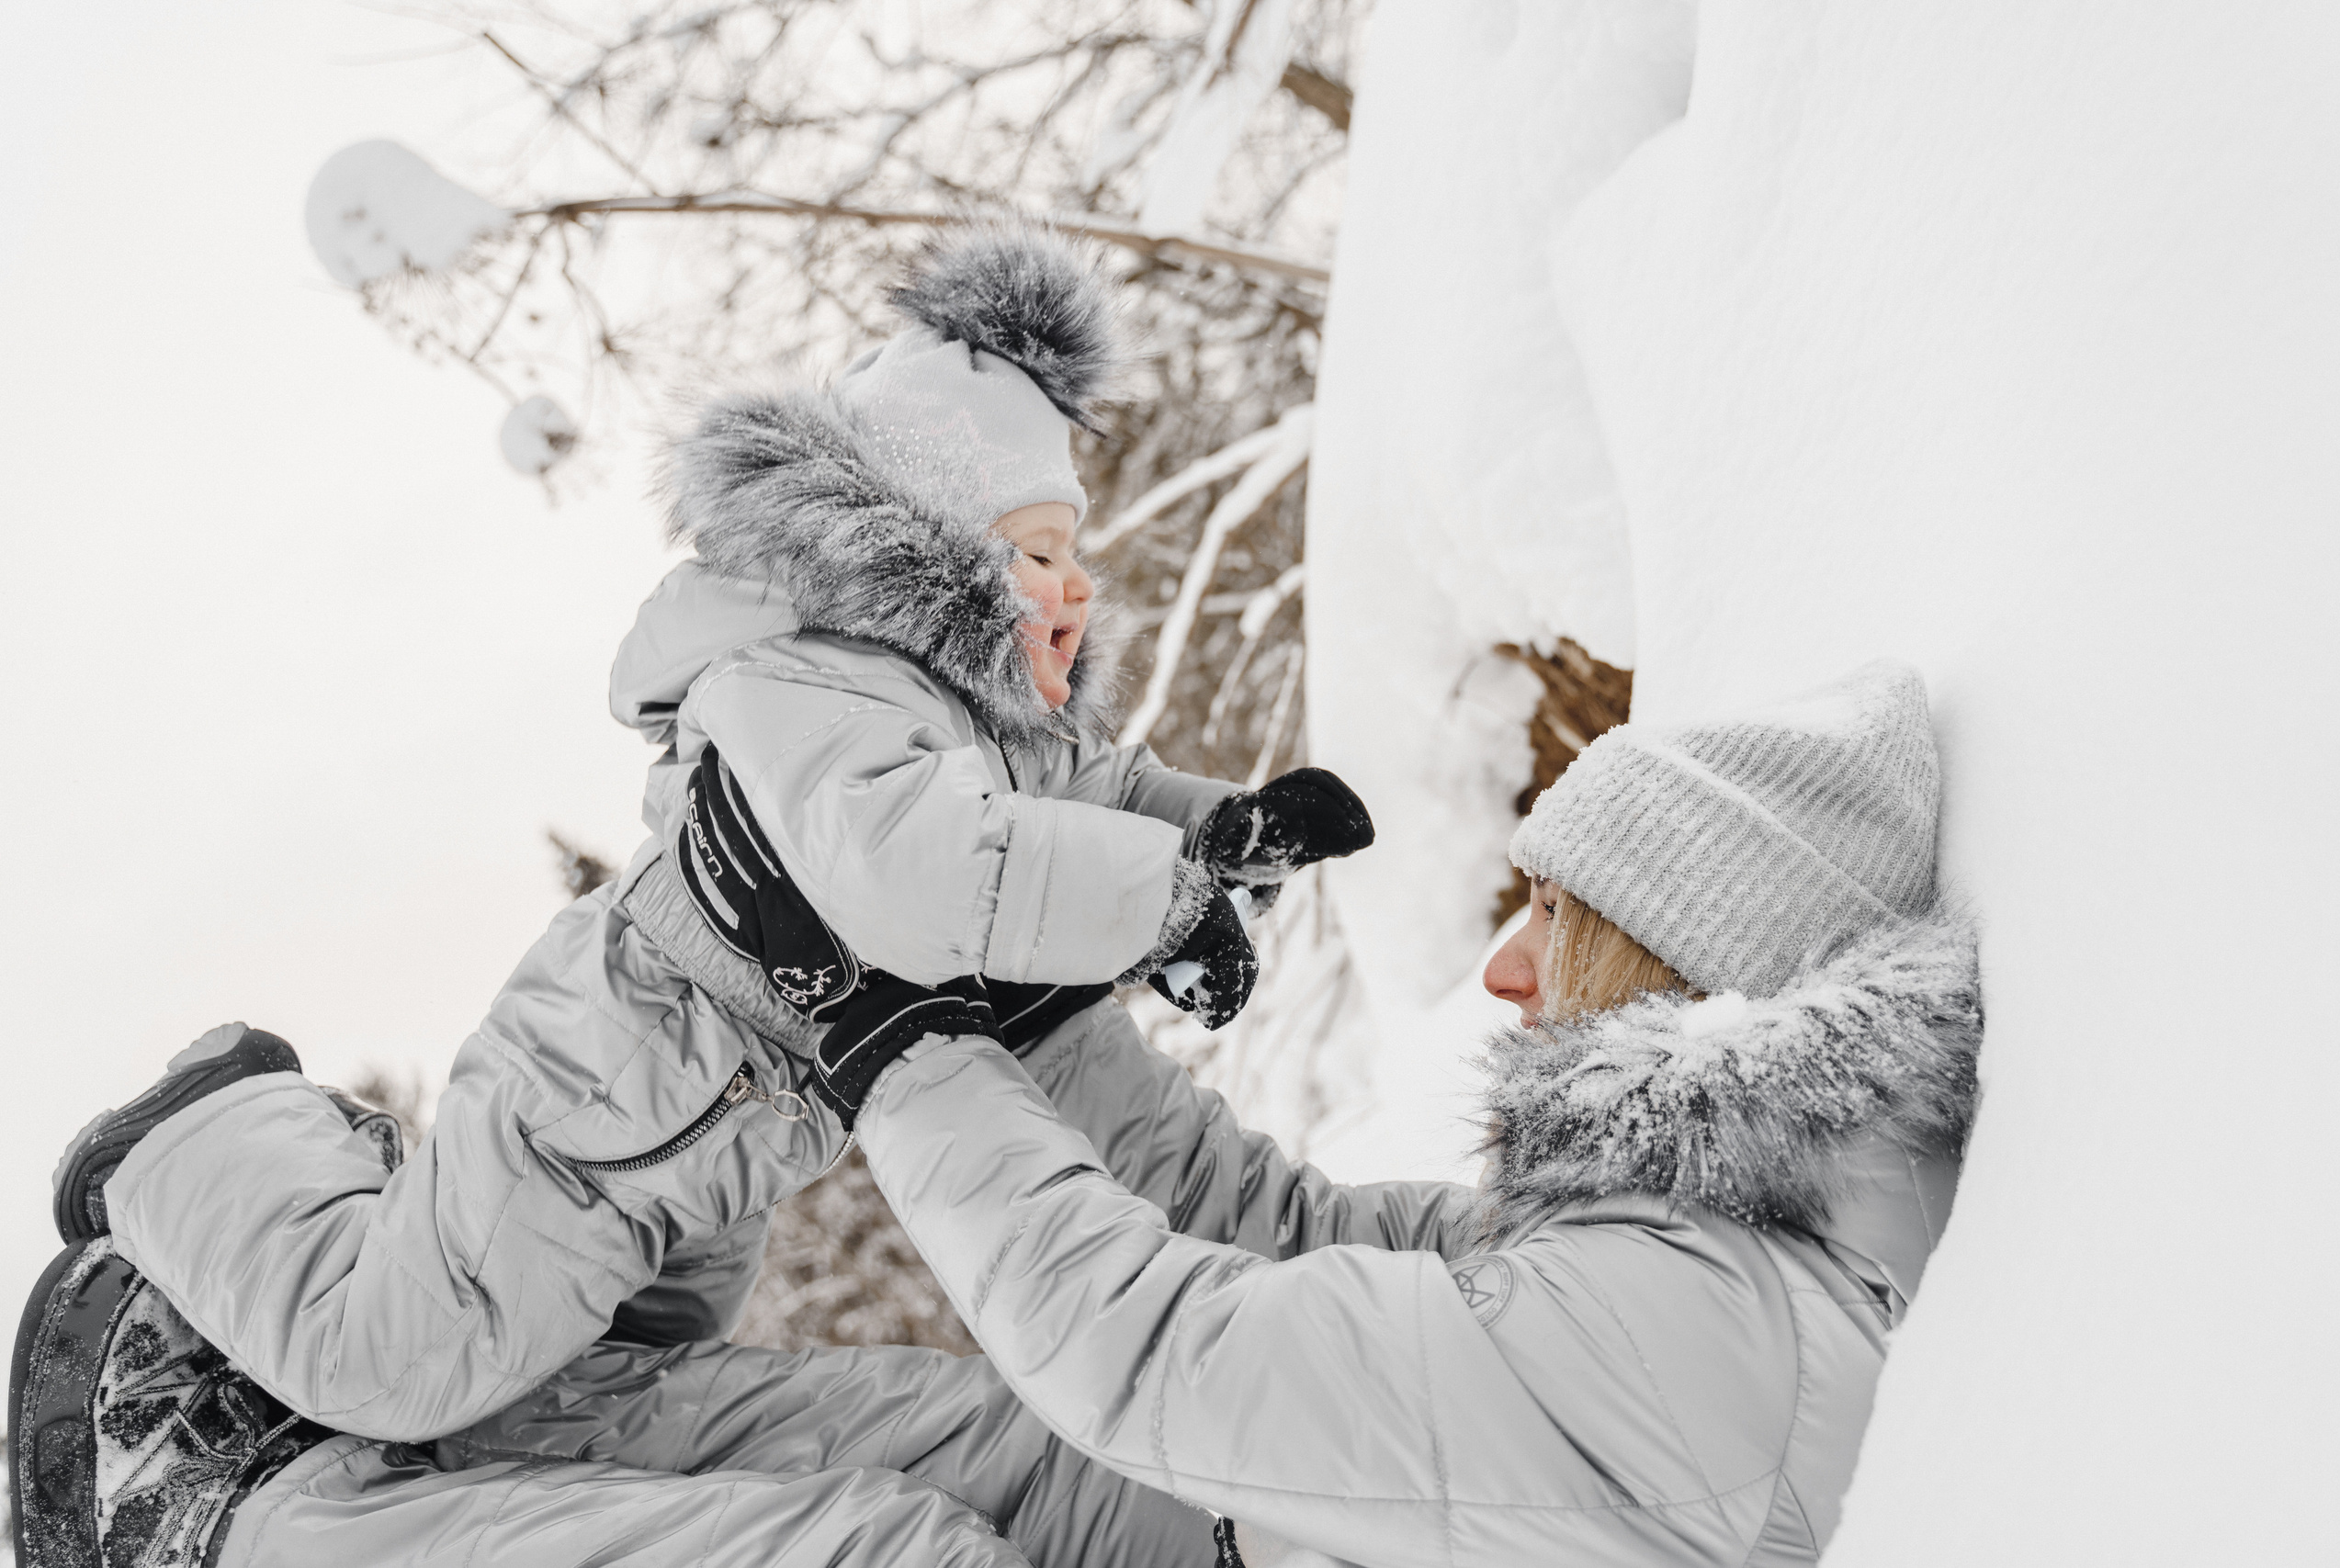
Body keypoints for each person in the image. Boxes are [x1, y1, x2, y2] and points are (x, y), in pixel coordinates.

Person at [13, 225, 1372, 1568]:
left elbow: (1089, 798)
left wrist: (1220, 834)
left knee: (612, 1375)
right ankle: (206, 1141)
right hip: (605, 1084)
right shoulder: (805, 684)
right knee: (398, 1358)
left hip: (728, 1130)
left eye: (1076, 548)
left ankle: (436, 1425)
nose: (1074, 583)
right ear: (927, 558)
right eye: (1031, 551)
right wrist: (1160, 901)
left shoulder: (985, 726)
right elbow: (910, 870)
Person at [788, 659, 1984, 1567]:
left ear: (1684, 964)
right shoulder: (1700, 1261)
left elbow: (1159, 1352)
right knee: (831, 1453)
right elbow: (1282, 1232)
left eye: (1560, 916)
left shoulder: (1703, 1333)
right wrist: (1036, 1020)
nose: (1509, 970)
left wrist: (900, 1048)